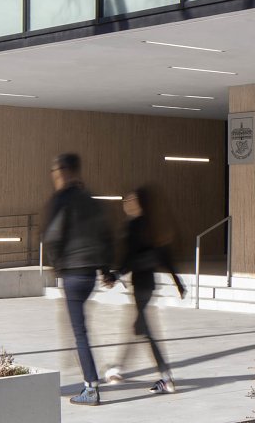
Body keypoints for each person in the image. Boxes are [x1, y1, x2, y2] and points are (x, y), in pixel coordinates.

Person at [41, 152, 114, 406]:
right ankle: (84, 368)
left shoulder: (61, 199)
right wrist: (106, 271)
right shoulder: (90, 200)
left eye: (54, 171)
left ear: (63, 171)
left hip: (73, 273)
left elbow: (52, 236)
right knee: (79, 329)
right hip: (89, 275)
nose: (53, 176)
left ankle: (91, 387)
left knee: (79, 333)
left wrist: (57, 266)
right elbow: (104, 237)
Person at [106, 185, 186, 394]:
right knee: (138, 327)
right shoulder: (152, 226)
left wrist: (115, 275)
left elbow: (129, 258)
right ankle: (118, 369)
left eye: (130, 200)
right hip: (148, 284)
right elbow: (164, 256)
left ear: (138, 203)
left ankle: (166, 378)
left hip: (141, 284)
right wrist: (178, 281)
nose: (126, 204)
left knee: (144, 330)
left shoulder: (134, 226)